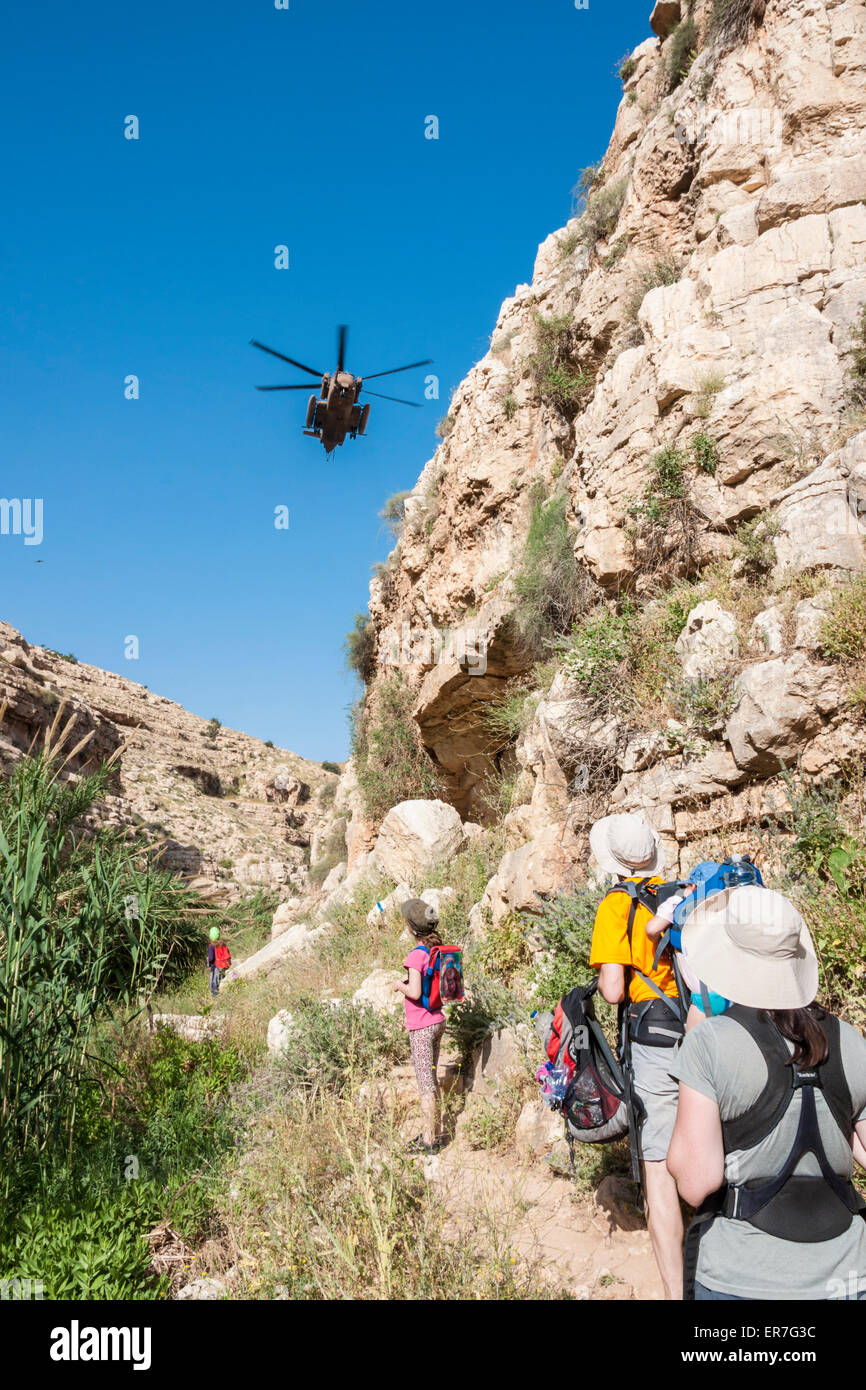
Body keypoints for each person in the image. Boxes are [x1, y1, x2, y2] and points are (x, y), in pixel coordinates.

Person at [667, 885, 866, 1300]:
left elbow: (697, 1182)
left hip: (743, 1274)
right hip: (847, 1272)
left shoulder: (710, 1044)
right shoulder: (851, 1040)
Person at [588, 812, 685, 1300]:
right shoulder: (680, 893)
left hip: (654, 1038)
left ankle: (675, 1291)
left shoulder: (616, 905)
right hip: (701, 1027)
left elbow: (610, 990)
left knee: (659, 1166)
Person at [390, 898, 447, 1156]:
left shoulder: (415, 955)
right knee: (432, 1079)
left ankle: (429, 1140)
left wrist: (398, 985)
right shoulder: (435, 950)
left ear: (411, 928)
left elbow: (414, 991)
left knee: (425, 1085)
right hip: (437, 1020)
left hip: (421, 1027)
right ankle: (437, 1130)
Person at [207, 926, 222, 996]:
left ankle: (214, 993)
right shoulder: (221, 944)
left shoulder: (211, 946)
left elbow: (211, 958)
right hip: (221, 965)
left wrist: (208, 963)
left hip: (214, 966)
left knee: (213, 979)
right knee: (219, 978)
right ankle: (219, 989)